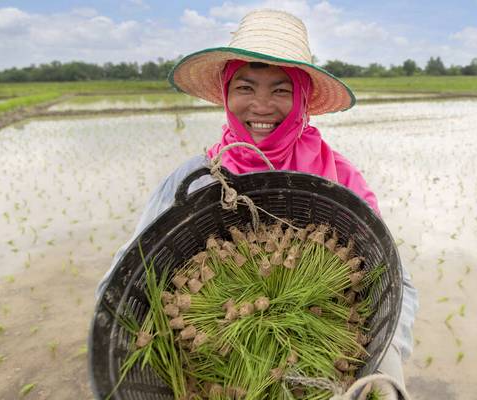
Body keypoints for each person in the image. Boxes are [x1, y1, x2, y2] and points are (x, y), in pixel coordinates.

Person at [96, 9, 417, 398]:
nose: (261, 106)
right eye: (246, 88)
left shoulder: (339, 178)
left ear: (302, 97)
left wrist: (384, 355)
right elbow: (128, 270)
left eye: (281, 90)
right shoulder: (192, 179)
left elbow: (392, 276)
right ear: (227, 94)